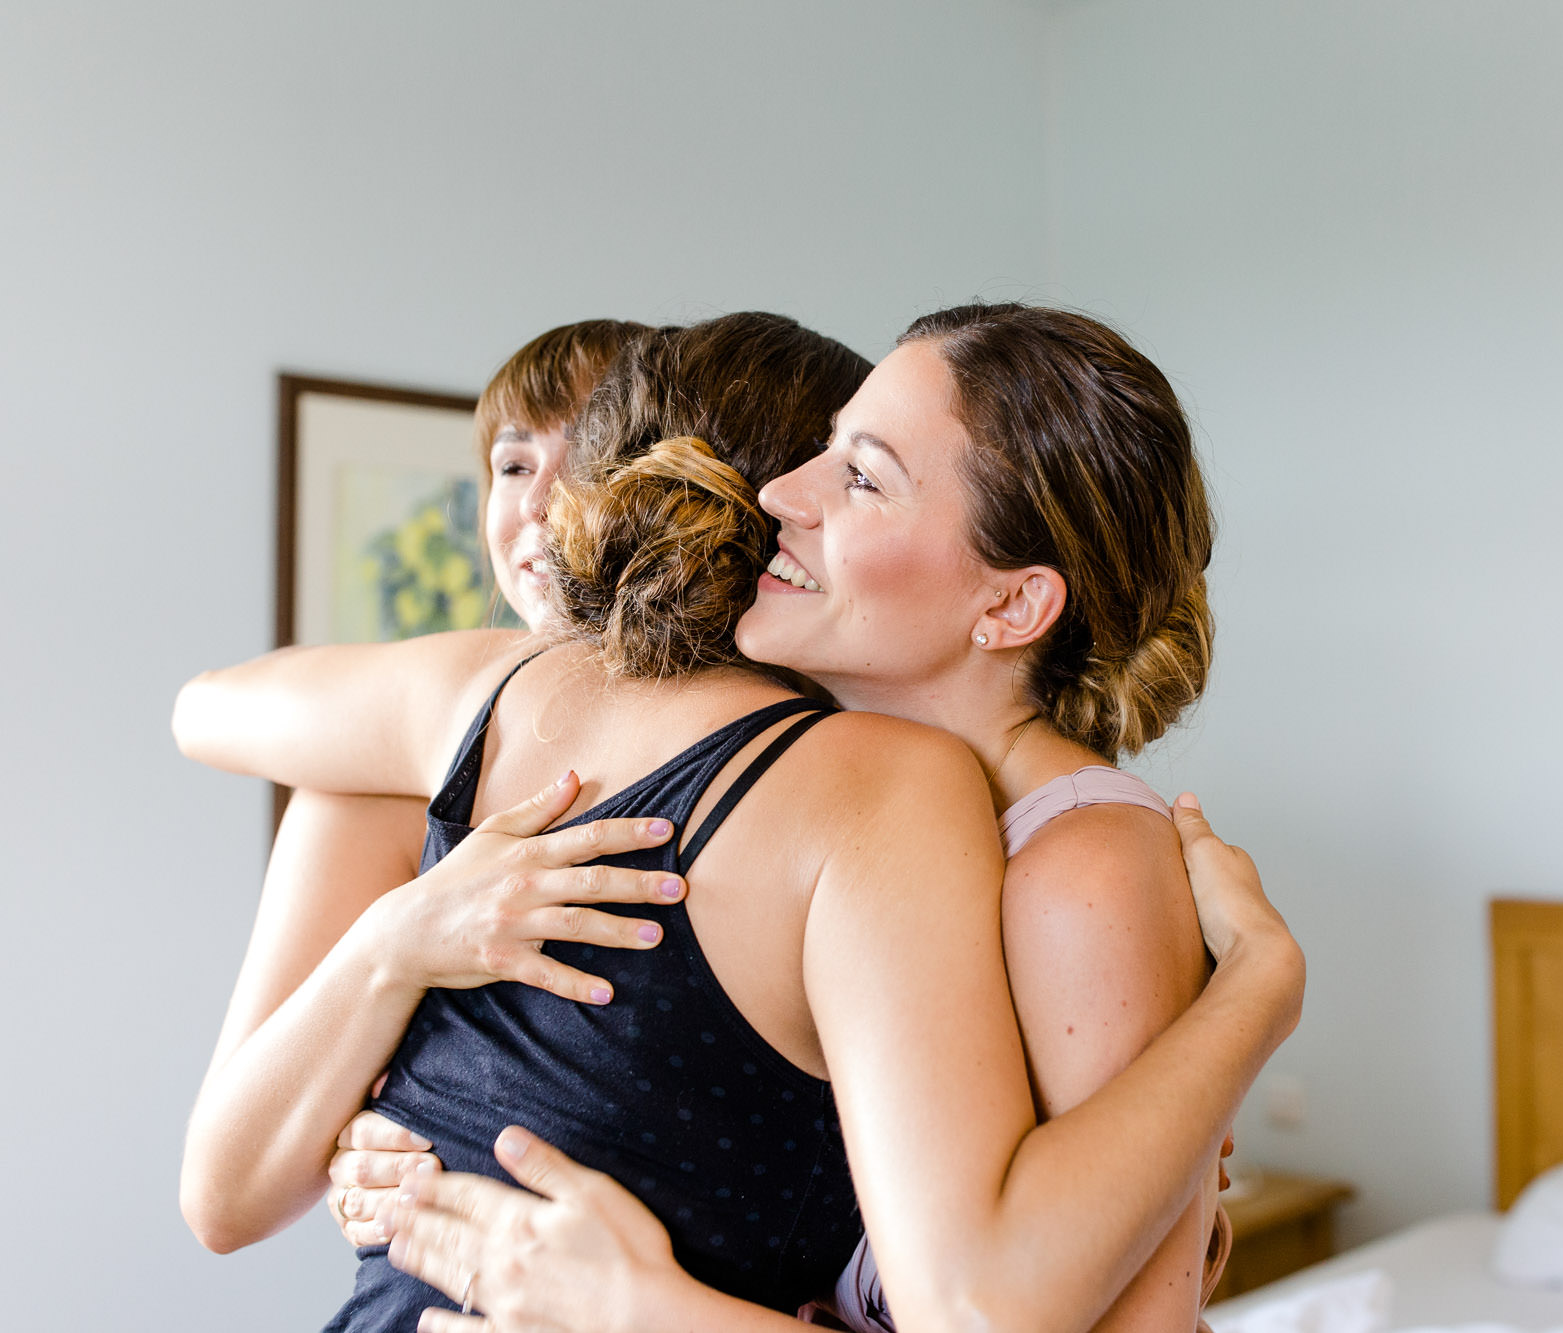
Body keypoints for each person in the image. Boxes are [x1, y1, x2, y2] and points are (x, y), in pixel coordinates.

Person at [174, 305, 1303, 1331]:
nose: (778, 502)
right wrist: (395, 988)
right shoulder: (850, 788)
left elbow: (997, 1306)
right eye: (821, 453)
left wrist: (1256, 991)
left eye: (861, 476)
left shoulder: (1050, 846)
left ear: (1010, 602)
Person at [181, 318, 657, 1252]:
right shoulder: (386, 785)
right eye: (513, 465)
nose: (539, 502)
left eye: (591, 456)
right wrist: (396, 942)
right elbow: (222, 1197)